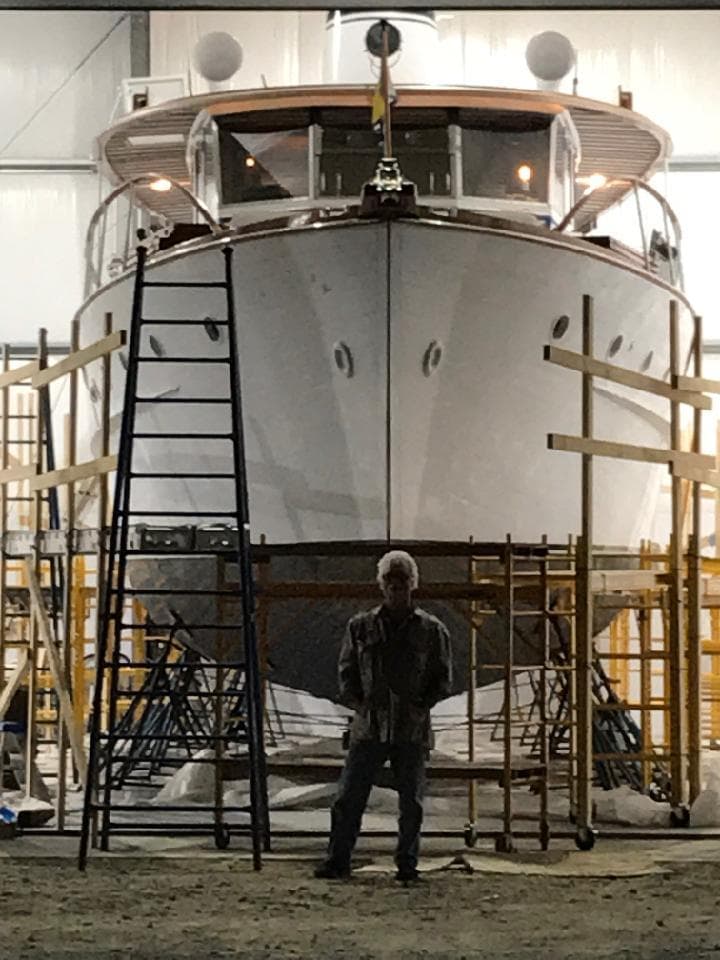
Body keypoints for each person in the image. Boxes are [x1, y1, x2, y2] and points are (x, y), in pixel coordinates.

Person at [314, 550, 453, 882]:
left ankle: (407, 863)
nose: (396, 590)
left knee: (411, 804)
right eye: (390, 583)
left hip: (410, 728)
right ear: (381, 586)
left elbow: (443, 677)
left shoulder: (432, 631)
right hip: (370, 727)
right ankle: (339, 860)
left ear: (412, 585)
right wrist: (360, 705)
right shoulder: (360, 627)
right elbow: (346, 672)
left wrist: (421, 706)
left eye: (401, 583)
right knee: (348, 798)